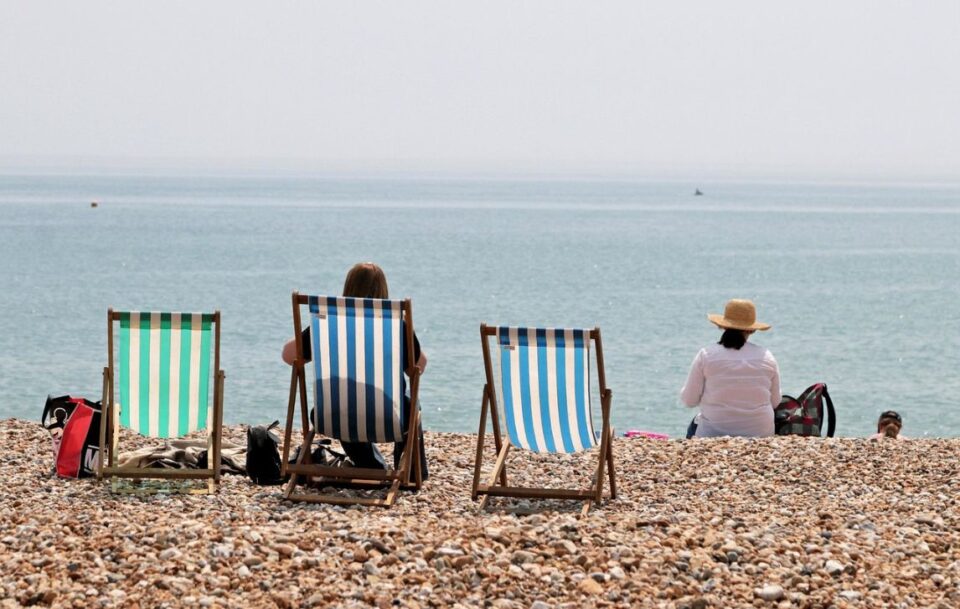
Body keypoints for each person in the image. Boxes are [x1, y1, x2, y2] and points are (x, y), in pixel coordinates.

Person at [282, 262, 428, 479]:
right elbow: (418, 368)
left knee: (346, 405)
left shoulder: (327, 323)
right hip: (389, 418)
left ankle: (372, 466)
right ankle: (413, 473)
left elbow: (288, 355)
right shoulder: (396, 324)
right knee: (411, 403)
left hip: (330, 416)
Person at [680, 299, 781, 438]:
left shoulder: (706, 355)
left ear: (722, 326)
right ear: (751, 330)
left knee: (695, 424)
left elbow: (688, 400)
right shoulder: (767, 356)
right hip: (760, 433)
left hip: (712, 433)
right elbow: (775, 402)